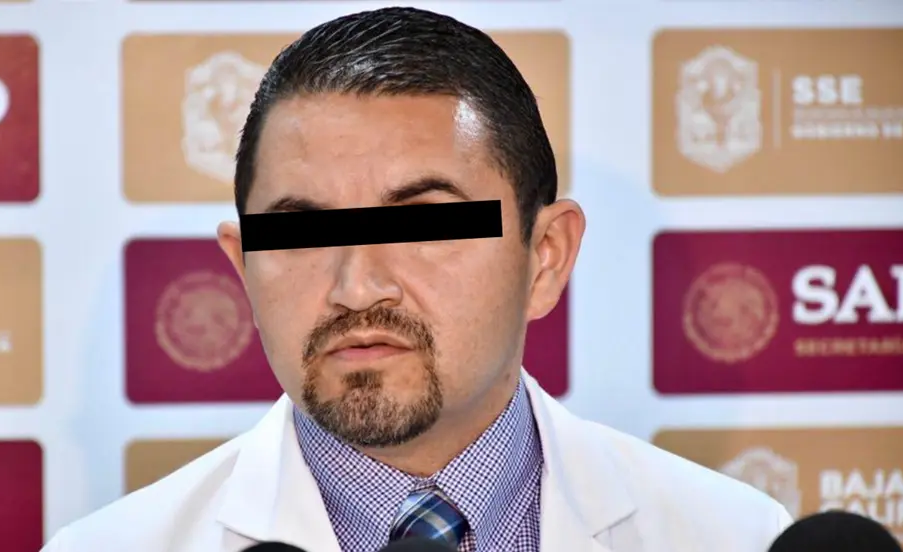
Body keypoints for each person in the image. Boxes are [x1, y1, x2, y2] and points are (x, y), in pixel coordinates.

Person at [42, 7, 793, 552]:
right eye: (302, 231)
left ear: (546, 256)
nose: (357, 286)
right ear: (243, 269)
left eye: (423, 224)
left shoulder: (733, 536)